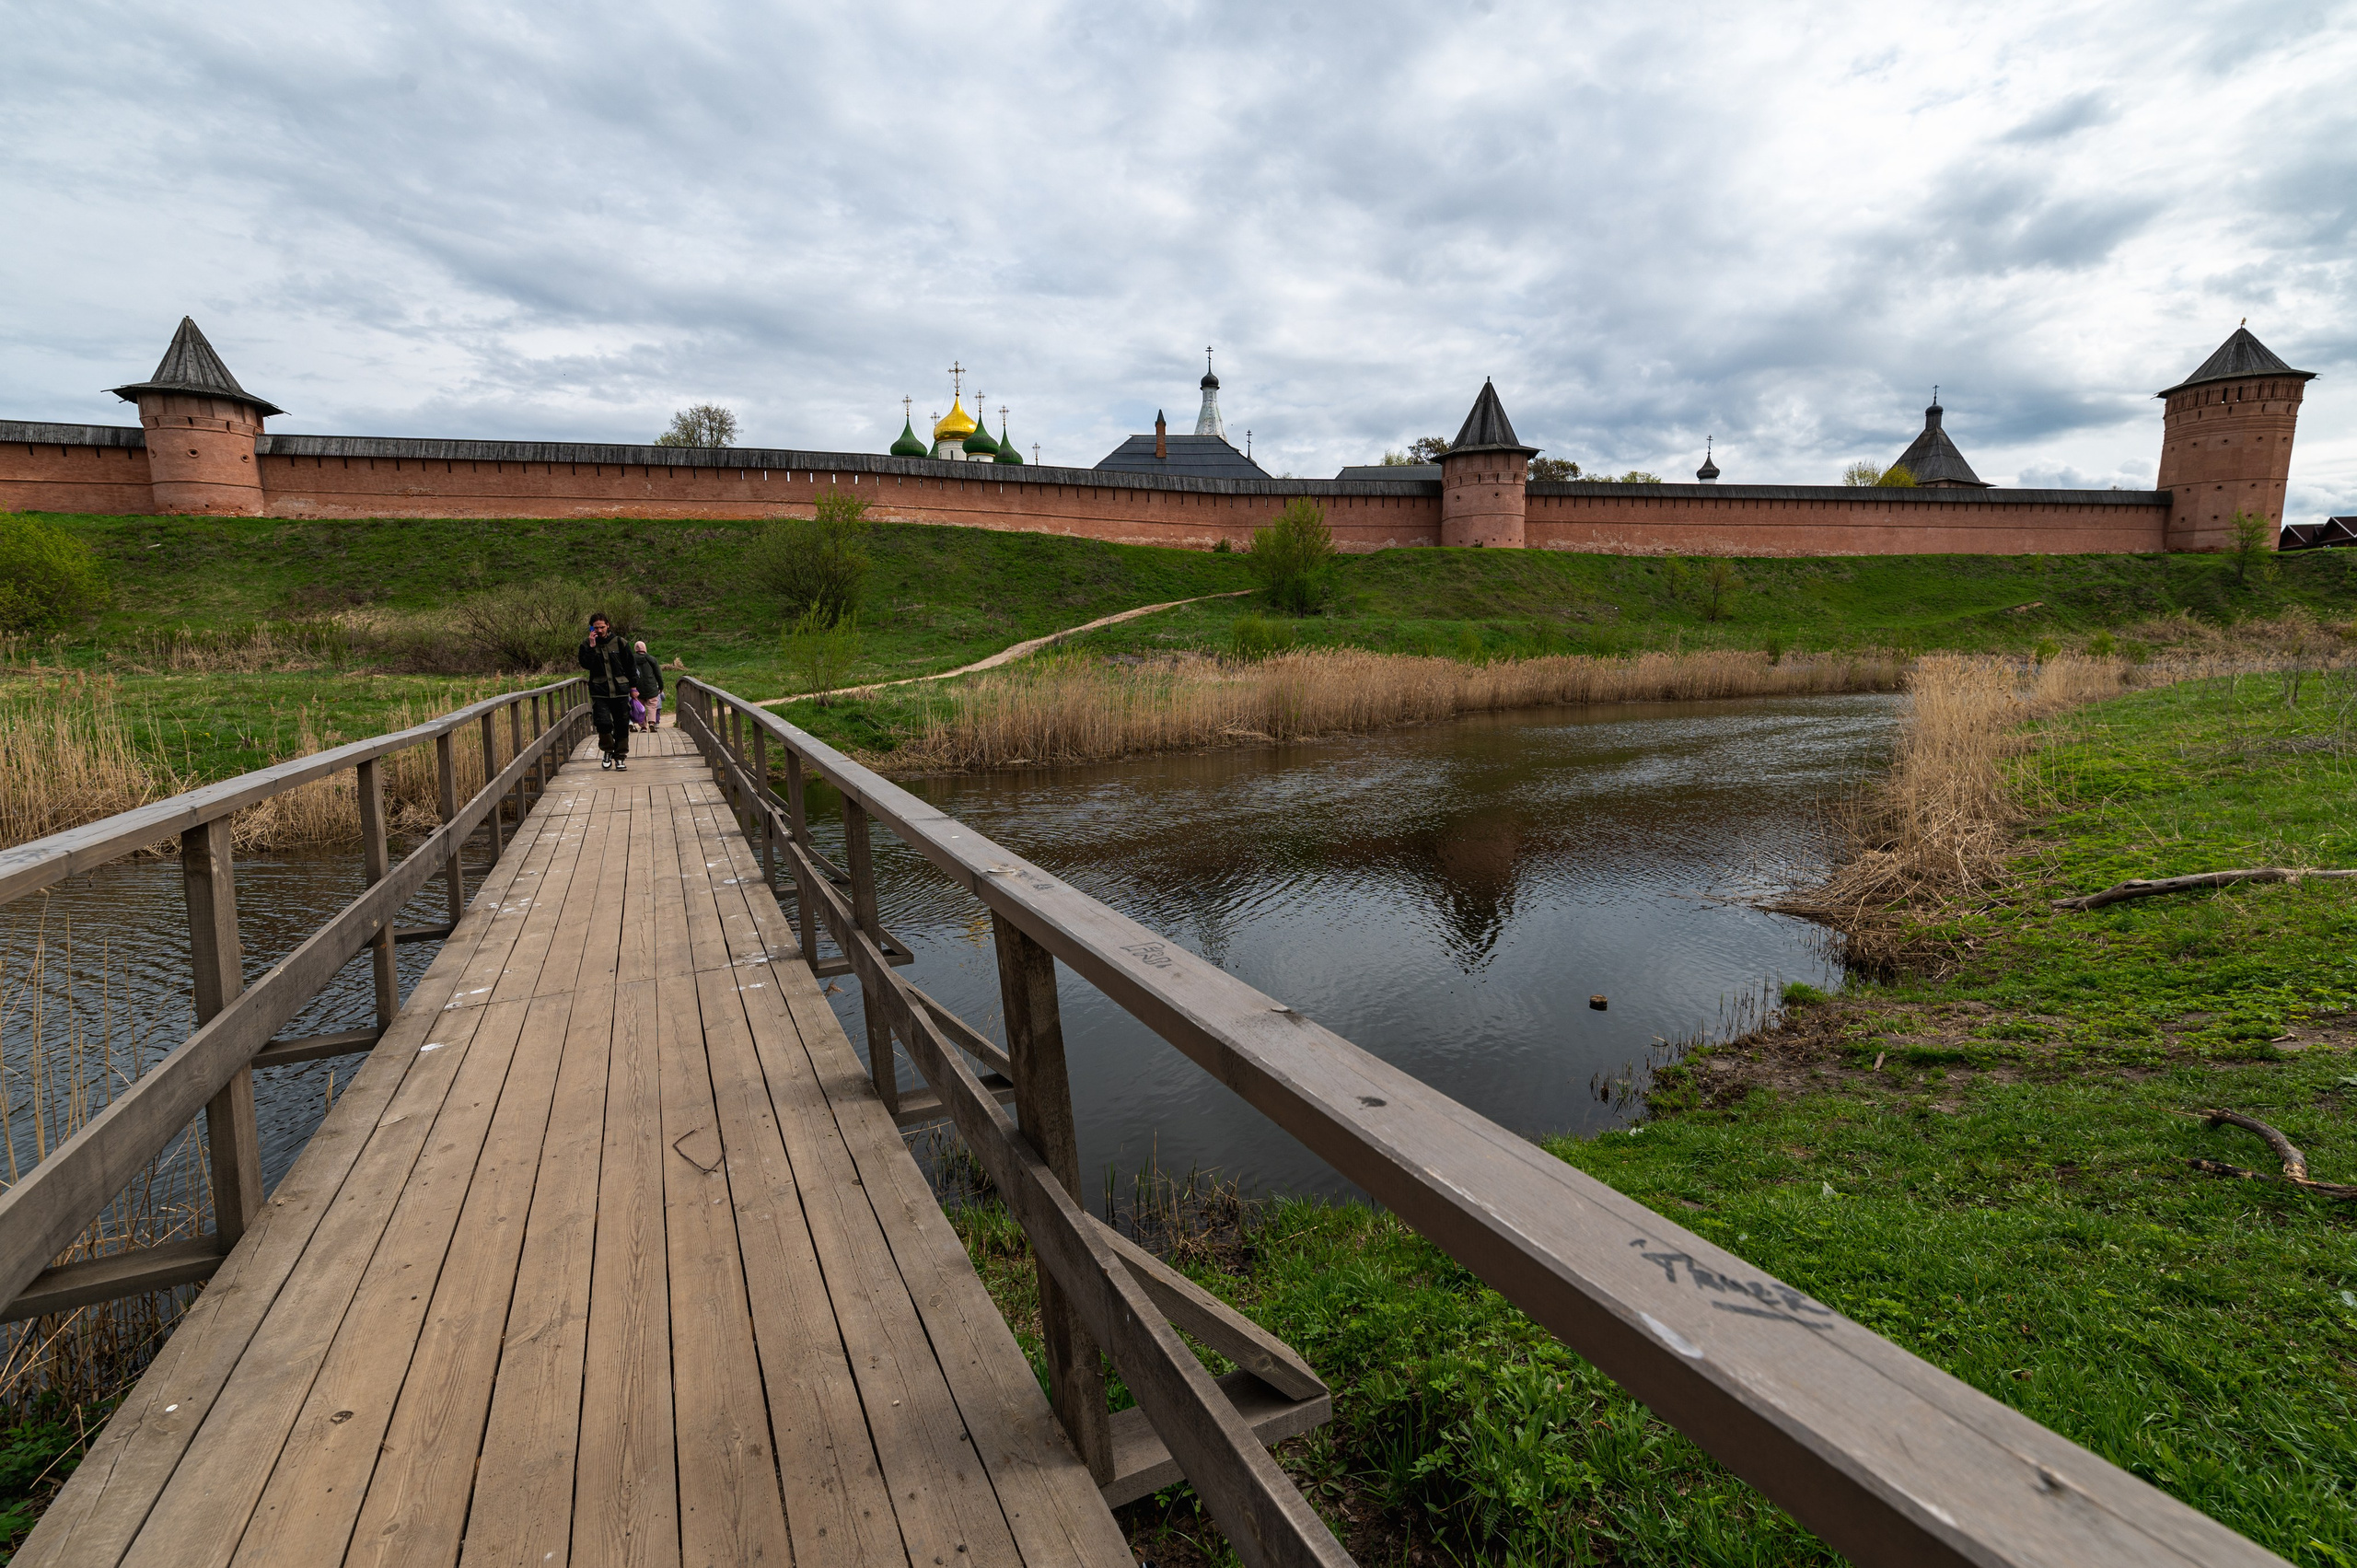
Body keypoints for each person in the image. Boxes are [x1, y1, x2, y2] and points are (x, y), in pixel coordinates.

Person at [578, 612, 648, 770]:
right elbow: (586, 664)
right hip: (599, 691)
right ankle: (608, 751)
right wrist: (591, 646)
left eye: (602, 627)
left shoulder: (620, 642)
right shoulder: (586, 644)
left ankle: (621, 757)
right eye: (596, 628)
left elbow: (631, 666)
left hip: (621, 690)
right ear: (591, 628)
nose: (600, 630)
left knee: (622, 724)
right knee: (603, 723)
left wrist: (633, 687)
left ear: (608, 625)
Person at [633, 640, 665, 731]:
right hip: (651, 686)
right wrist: (661, 686)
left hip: (637, 687)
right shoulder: (652, 659)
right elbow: (658, 674)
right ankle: (651, 722)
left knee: (640, 706)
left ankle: (643, 726)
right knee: (652, 706)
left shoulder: (631, 659)